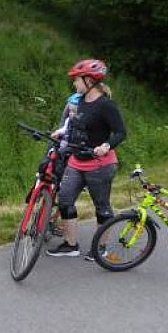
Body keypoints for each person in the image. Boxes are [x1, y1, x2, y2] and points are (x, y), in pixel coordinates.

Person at [46, 59, 126, 259]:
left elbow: (120, 132)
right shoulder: (80, 101)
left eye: (77, 80)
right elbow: (74, 125)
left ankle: (100, 247)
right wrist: (63, 133)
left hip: (100, 164)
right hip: (76, 160)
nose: (74, 84)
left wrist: (106, 146)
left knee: (101, 206)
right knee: (64, 200)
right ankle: (71, 245)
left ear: (89, 81)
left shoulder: (106, 105)